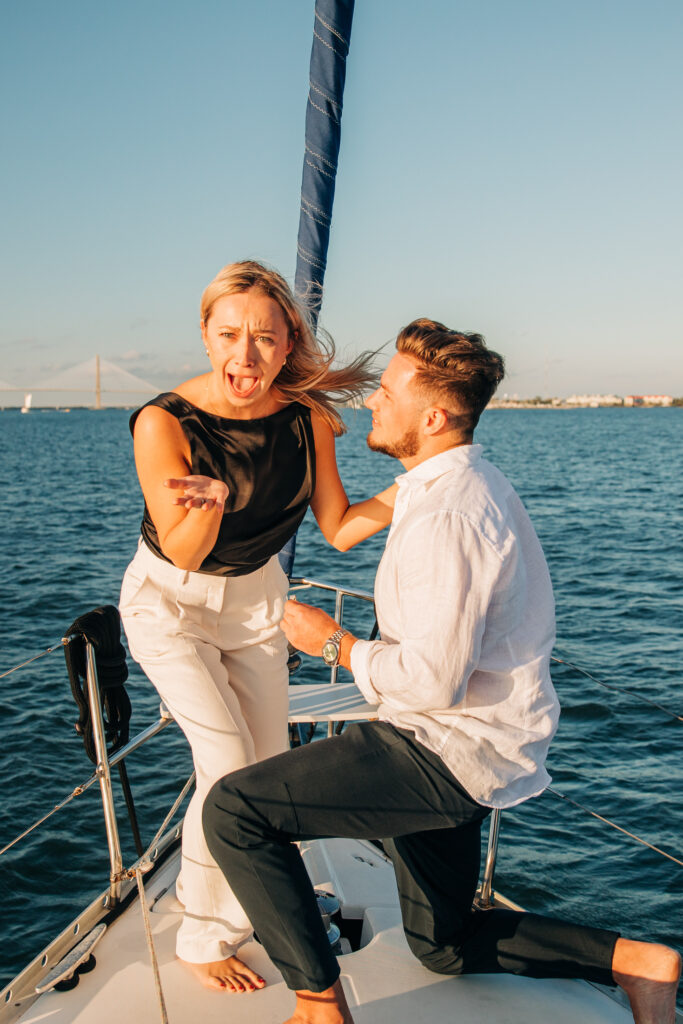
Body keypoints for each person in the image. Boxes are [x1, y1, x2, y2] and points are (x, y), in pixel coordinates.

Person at [203, 318, 681, 1024]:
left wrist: (331, 642)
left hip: (440, 749)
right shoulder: (456, 484)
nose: (373, 402)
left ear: (430, 416)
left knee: (234, 811)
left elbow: (431, 683)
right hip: (471, 744)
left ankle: (316, 1005)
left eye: (386, 391)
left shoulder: (446, 518)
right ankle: (638, 963)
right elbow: (354, 542)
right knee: (444, 945)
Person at [119, 260, 397, 993]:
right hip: (171, 602)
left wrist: (419, 486)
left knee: (267, 767)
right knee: (227, 766)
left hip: (254, 603)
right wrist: (208, 502)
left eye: (265, 339)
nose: (247, 356)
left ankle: (248, 905)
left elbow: (336, 527)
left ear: (287, 344)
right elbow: (181, 551)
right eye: (230, 335)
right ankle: (204, 937)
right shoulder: (162, 423)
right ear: (206, 338)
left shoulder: (308, 417)